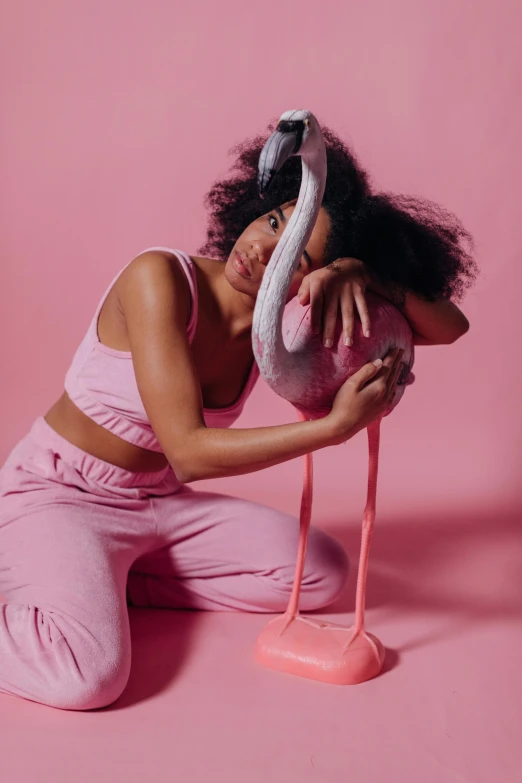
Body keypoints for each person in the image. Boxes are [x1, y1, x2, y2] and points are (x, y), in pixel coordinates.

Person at [0, 123, 478, 711]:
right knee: (86, 677)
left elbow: (449, 328)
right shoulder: (158, 279)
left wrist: (362, 273)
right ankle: (52, 568)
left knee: (322, 575)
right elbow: (190, 453)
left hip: (159, 504)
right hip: (61, 496)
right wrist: (332, 429)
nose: (261, 249)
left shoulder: (279, 329)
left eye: (295, 255)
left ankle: (107, 582)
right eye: (275, 221)